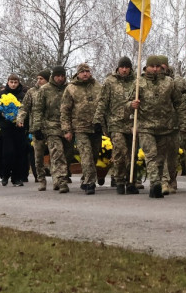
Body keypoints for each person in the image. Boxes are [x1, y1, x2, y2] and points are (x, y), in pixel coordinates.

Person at [128, 55, 182, 198]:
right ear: (147, 67)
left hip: (165, 127)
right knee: (151, 155)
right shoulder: (139, 83)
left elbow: (178, 102)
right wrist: (131, 105)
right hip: (146, 126)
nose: (155, 69)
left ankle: (156, 183)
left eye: (158, 67)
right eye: (152, 66)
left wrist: (180, 121)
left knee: (160, 158)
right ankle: (155, 184)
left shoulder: (169, 83)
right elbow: (126, 103)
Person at [96, 57, 141, 194]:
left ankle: (131, 181)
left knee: (132, 154)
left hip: (132, 123)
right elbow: (103, 102)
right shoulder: (110, 82)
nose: (124, 69)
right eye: (122, 67)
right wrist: (98, 120)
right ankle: (120, 180)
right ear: (118, 68)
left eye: (127, 67)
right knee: (120, 151)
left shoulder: (137, 82)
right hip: (116, 122)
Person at [61, 63, 101, 194]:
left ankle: (86, 178)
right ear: (78, 74)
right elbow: (65, 110)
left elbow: (104, 105)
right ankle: (90, 183)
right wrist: (67, 130)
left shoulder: (97, 86)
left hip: (96, 127)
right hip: (80, 127)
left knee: (94, 155)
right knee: (86, 155)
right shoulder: (71, 88)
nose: (85, 74)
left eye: (87, 71)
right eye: (82, 72)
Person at [31, 67, 70, 192]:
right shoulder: (45, 90)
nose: (60, 78)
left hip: (67, 126)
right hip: (50, 126)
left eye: (62, 76)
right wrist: (37, 127)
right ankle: (62, 181)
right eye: (57, 76)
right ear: (53, 76)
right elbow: (37, 110)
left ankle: (57, 178)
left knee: (67, 154)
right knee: (57, 153)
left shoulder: (69, 88)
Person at [0, 74, 29, 186]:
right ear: (8, 82)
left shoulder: (23, 95)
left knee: (19, 153)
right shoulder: (1, 94)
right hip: (6, 128)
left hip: (19, 128)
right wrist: (1, 112)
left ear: (18, 83)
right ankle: (5, 175)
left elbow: (28, 109)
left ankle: (16, 178)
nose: (13, 84)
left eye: (15, 82)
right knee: (8, 153)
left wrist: (23, 120)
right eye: (11, 82)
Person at [18, 73, 49, 184]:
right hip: (37, 128)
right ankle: (40, 177)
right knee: (38, 155)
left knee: (56, 154)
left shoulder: (53, 91)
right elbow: (24, 107)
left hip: (52, 127)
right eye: (38, 79)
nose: (39, 81)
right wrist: (20, 119)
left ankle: (59, 178)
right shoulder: (32, 92)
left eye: (42, 78)